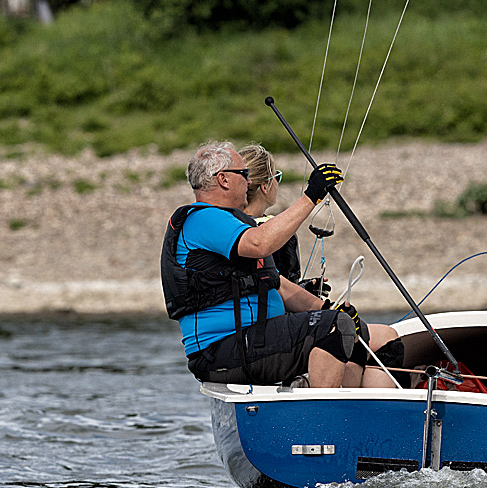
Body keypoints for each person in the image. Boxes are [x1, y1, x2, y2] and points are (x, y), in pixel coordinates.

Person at [161, 140, 403, 388]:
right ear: (223, 179)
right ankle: (325, 419)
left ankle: (356, 416)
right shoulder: (204, 218)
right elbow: (260, 243)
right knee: (334, 327)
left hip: (249, 342)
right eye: (244, 175)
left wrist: (330, 307)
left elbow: (280, 287)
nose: (248, 182)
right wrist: (312, 196)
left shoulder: (232, 226)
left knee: (348, 328)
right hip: (223, 349)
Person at [238, 142, 329, 297]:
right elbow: (275, 290)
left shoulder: (225, 224)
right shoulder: (271, 232)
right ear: (265, 186)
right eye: (276, 177)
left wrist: (301, 289)